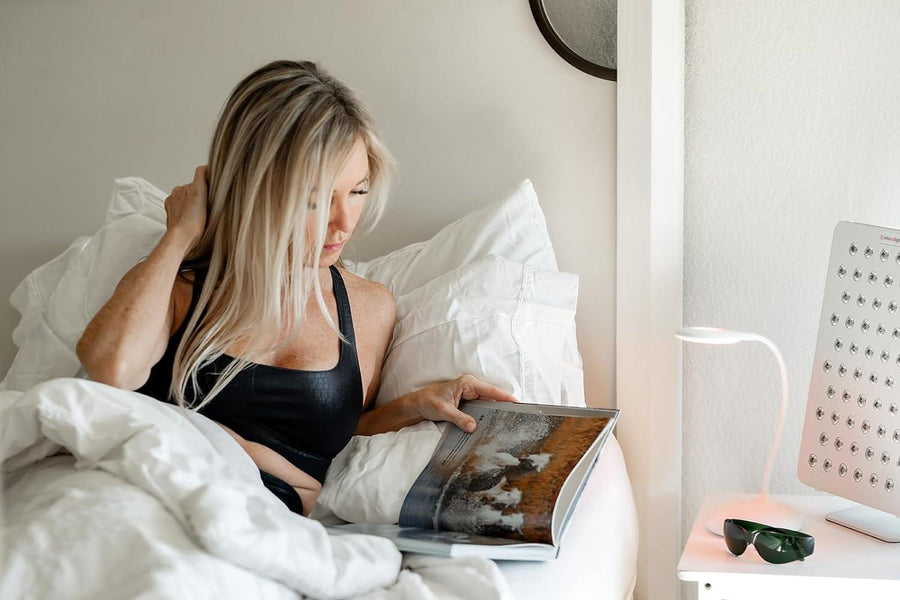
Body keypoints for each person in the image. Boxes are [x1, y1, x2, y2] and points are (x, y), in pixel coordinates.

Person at [76, 60, 516, 516]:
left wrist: (416, 406)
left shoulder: (367, 307)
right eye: (315, 198)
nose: (344, 222)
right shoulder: (181, 286)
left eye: (357, 192)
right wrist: (181, 233)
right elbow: (112, 371)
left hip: (264, 529)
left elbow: (339, 438)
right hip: (146, 499)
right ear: (253, 190)